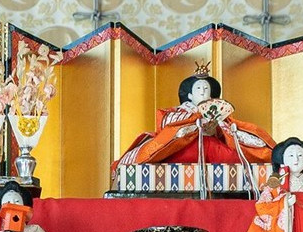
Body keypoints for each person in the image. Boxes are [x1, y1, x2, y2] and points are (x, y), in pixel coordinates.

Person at [113, 63, 273, 172]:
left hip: (212, 146)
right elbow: (167, 128)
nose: (203, 91)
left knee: (233, 157)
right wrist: (196, 125)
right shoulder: (176, 112)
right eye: (198, 88)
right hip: (186, 147)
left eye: (206, 88)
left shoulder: (220, 113)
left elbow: (228, 133)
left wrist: (217, 128)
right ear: (189, 95)